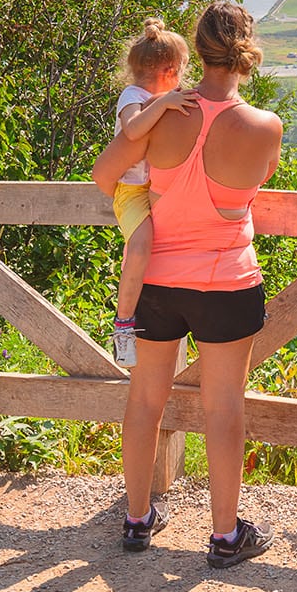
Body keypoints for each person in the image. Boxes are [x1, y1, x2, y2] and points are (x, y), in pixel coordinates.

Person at [93, 0, 284, 568]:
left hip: (158, 280)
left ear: (194, 50)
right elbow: (257, 182)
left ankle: (136, 519)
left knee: (146, 397)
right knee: (223, 409)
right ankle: (225, 537)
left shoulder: (161, 113)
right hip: (227, 280)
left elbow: (106, 176)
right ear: (247, 53)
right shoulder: (263, 126)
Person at [108, 19, 196, 368]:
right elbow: (132, 130)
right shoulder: (133, 97)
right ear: (169, 69)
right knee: (141, 246)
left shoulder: (159, 97)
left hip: (157, 188)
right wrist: (164, 103)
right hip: (131, 191)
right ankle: (123, 324)